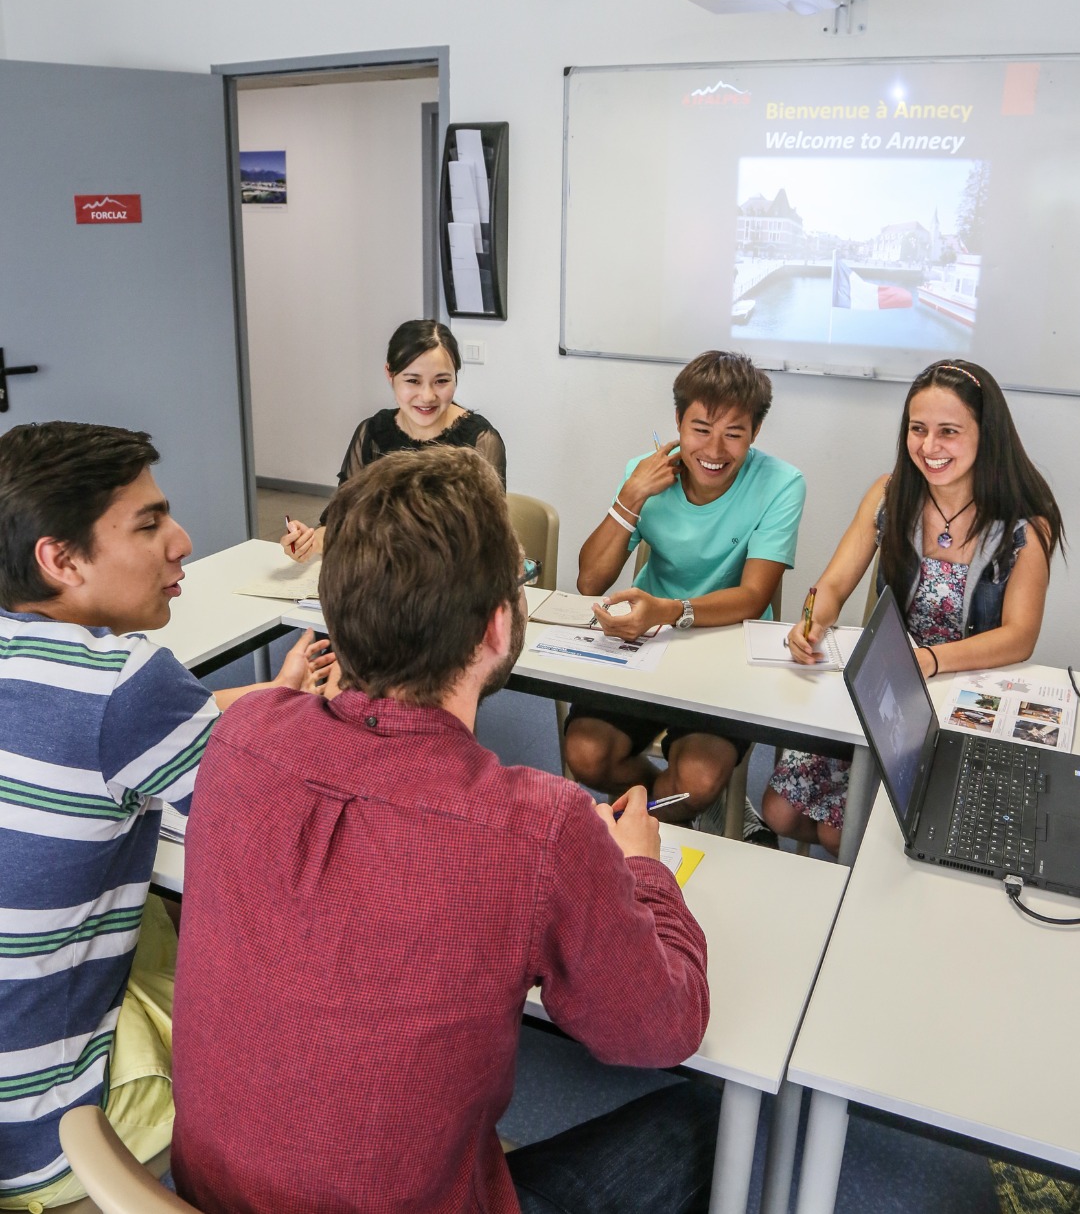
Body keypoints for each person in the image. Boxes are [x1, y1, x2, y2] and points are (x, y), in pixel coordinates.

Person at [171, 447, 722, 1214]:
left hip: (199, 1195)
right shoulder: (539, 827)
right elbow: (662, 1028)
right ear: (498, 625)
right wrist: (642, 873)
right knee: (704, 1123)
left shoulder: (242, 735)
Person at [0, 421, 329, 1210]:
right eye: (148, 525)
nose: (182, 542)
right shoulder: (125, 682)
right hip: (48, 1131)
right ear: (60, 560)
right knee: (317, 1079)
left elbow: (104, 736)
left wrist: (260, 699)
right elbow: (293, 848)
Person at [763, 359, 1065, 857]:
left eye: (949, 432)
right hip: (888, 687)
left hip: (958, 694)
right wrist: (813, 619)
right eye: (918, 429)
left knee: (842, 834)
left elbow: (1019, 636)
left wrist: (927, 660)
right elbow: (831, 585)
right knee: (778, 813)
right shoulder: (888, 494)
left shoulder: (1023, 525)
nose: (929, 446)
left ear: (986, 435)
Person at [563, 350, 806, 825]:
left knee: (695, 780)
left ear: (755, 432)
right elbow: (590, 581)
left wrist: (668, 611)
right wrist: (631, 495)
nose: (714, 450)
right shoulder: (645, 471)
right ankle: (675, 810)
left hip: (727, 649)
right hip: (646, 643)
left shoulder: (781, 483)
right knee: (586, 754)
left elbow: (754, 597)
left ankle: (663, 815)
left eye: (734, 433)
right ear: (677, 422)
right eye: (700, 429)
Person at [280, 319, 506, 562]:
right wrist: (310, 542)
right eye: (412, 381)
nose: (427, 396)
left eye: (442, 381)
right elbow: (343, 523)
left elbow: (490, 542)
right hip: (383, 577)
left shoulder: (479, 441)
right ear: (390, 374)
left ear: (455, 377)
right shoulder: (373, 434)